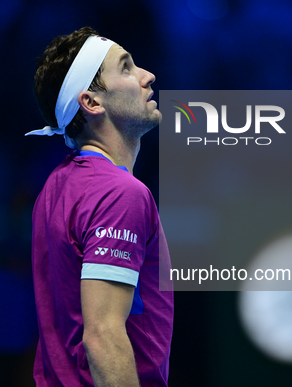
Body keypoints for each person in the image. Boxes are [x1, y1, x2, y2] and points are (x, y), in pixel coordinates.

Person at [26, 26, 173, 387]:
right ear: (91, 102)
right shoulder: (120, 193)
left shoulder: (55, 187)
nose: (147, 76)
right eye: (126, 68)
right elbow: (103, 335)